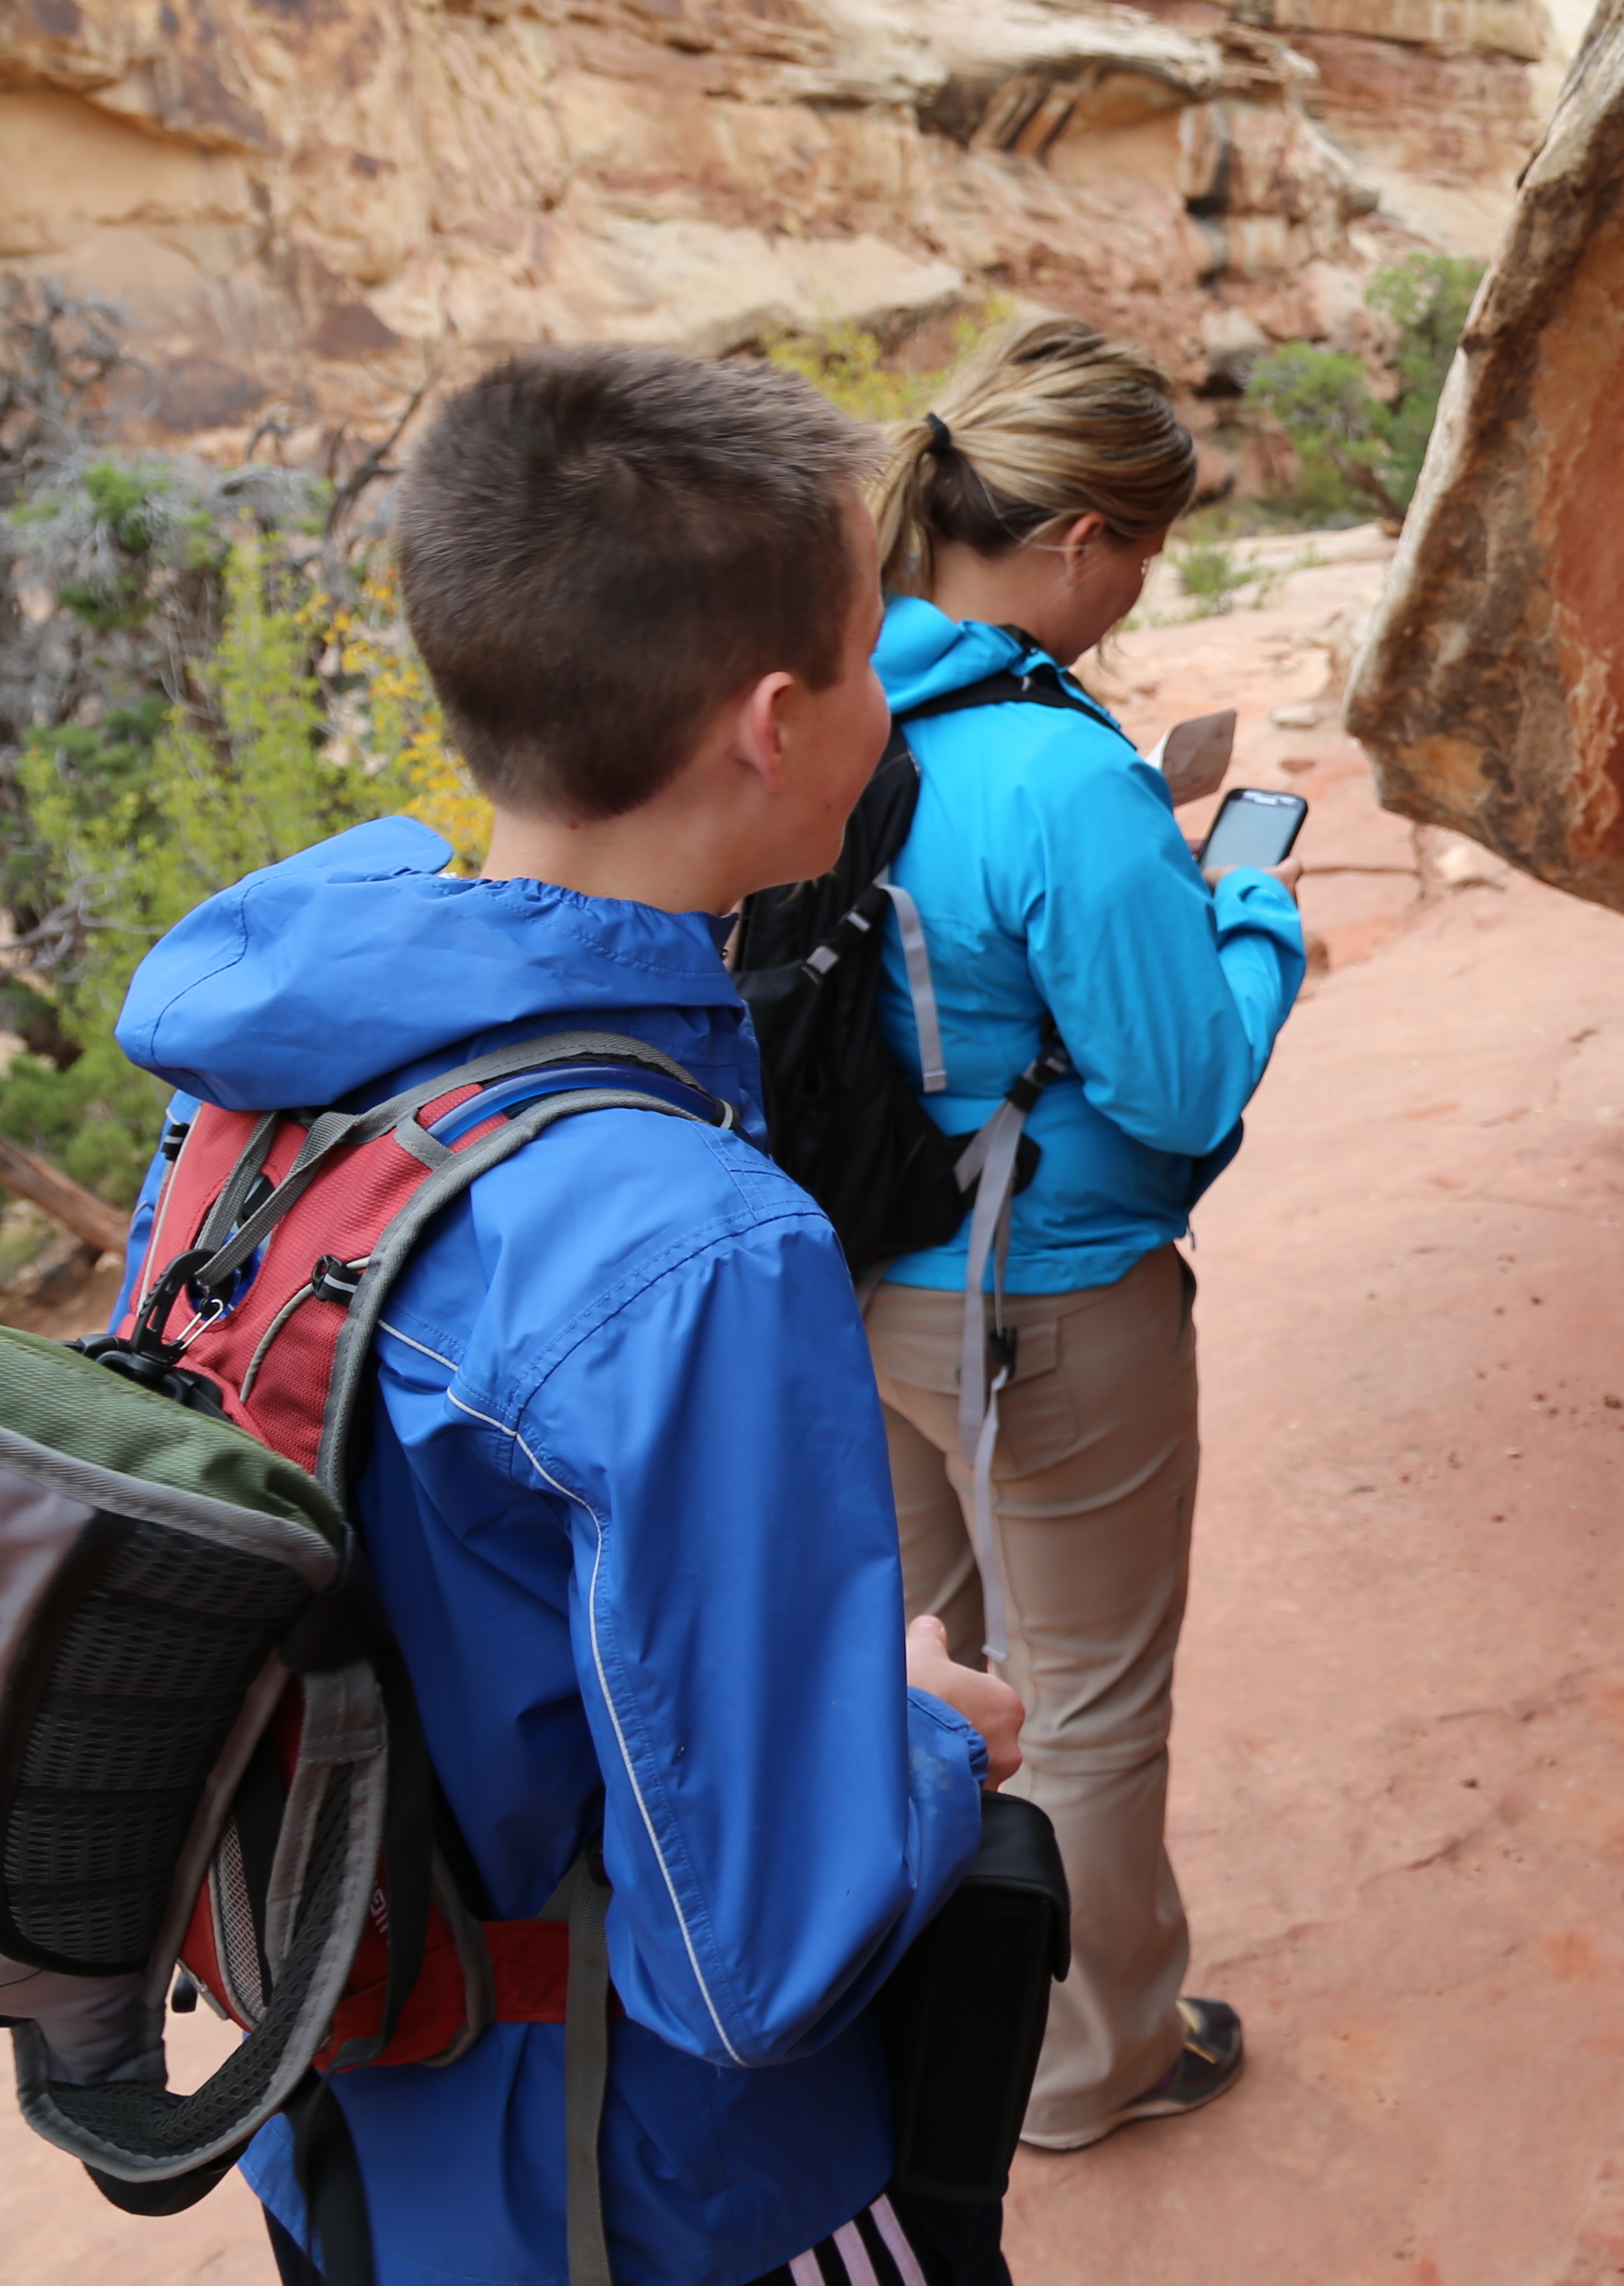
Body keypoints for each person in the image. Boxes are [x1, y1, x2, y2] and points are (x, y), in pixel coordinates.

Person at [113, 349, 1032, 2286]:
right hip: (654, 2200)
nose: (892, 695)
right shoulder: (692, 1248)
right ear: (777, 726)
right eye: (875, 653)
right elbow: (753, 1955)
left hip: (342, 2139)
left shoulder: (257, 1087)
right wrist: (927, 1738)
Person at [852, 317, 1307, 2155]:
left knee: (914, 1656)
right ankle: (1085, 2062)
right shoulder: (1054, 771)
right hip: (1043, 1294)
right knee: (1084, 1699)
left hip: (862, 1274)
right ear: (1071, 539)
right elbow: (1182, 1085)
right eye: (1141, 549)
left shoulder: (831, 704)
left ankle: (906, 2018)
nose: (1137, 590)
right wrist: (1254, 913)